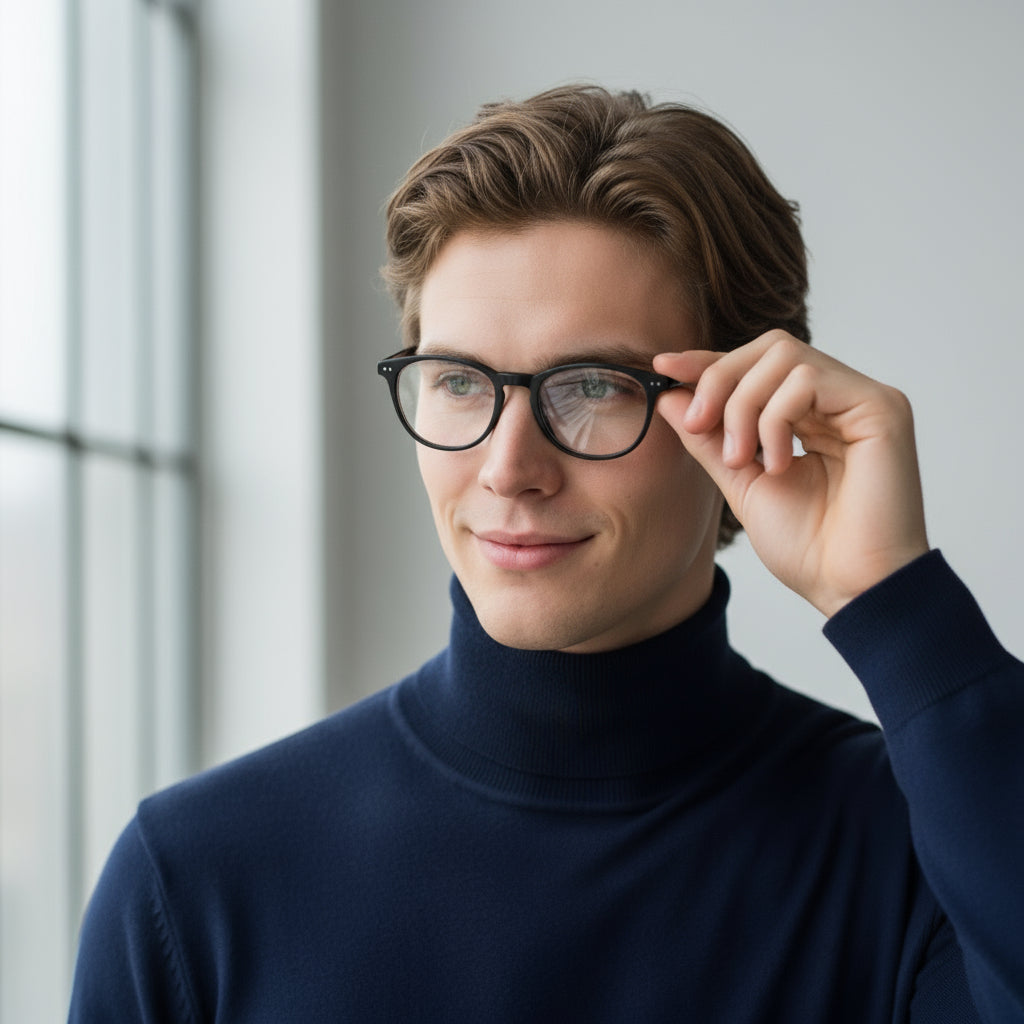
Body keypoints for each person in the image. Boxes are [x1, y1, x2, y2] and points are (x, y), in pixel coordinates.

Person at [69, 85, 1022, 1022]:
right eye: (457, 381)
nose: (507, 468)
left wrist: (895, 600)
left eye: (593, 386)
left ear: (744, 410)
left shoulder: (919, 857)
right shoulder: (195, 878)